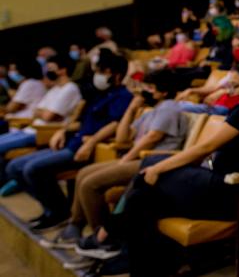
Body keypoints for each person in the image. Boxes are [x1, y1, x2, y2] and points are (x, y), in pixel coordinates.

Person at [91, 64, 239, 276]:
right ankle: (142, 262)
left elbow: (206, 148)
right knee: (141, 200)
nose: (229, 91)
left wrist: (159, 168)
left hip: (226, 188)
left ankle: (109, 235)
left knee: (148, 171)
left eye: (235, 86)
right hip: (216, 182)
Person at [43, 71, 188, 251]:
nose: (145, 91)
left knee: (90, 183)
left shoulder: (169, 107)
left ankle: (104, 238)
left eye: (150, 88)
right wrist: (131, 109)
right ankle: (75, 226)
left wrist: (126, 158)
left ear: (164, 92)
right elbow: (122, 138)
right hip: (136, 157)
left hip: (152, 161)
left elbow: (153, 137)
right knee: (83, 174)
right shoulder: (152, 110)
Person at [5, 54, 132, 231]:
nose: (98, 75)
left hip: (86, 148)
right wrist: (63, 130)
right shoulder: (99, 94)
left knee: (32, 169)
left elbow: (115, 124)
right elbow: (81, 120)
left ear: (117, 74)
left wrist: (90, 143)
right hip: (72, 141)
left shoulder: (123, 96)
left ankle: (59, 213)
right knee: (14, 167)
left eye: (103, 71)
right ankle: (53, 209)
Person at [0, 55, 82, 158]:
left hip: (40, 132)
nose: (47, 72)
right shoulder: (55, 89)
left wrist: (43, 113)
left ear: (63, 70)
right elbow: (36, 111)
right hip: (29, 129)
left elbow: (48, 116)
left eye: (51, 68)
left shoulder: (70, 89)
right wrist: (43, 113)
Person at [176, 32, 239, 103]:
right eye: (234, 47)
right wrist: (191, 90)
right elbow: (216, 87)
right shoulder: (234, 67)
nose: (236, 50)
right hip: (217, 103)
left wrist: (224, 92)